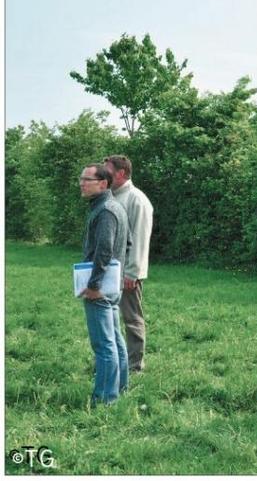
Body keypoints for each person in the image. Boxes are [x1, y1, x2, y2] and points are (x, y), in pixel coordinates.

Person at [79, 163, 129, 405]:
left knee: (103, 344)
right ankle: (120, 388)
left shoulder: (106, 211)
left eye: (86, 179)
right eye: (81, 179)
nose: (81, 183)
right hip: (113, 285)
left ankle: (105, 399)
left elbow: (104, 250)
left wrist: (95, 284)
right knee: (115, 338)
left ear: (103, 183)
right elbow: (127, 244)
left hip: (102, 288)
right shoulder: (114, 207)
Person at [104, 155, 154, 373]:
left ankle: (134, 367)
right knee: (111, 319)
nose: (104, 176)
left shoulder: (136, 199)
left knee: (132, 320)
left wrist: (131, 274)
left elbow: (140, 239)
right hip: (110, 271)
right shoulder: (112, 197)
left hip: (127, 275)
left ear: (121, 173)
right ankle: (116, 363)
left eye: (108, 171)